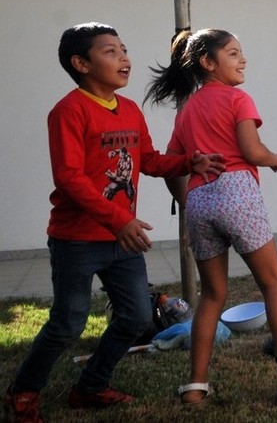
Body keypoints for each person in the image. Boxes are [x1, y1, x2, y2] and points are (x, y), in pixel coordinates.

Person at [3, 22, 225, 423]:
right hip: (77, 239)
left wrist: (187, 162)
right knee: (69, 322)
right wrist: (119, 221)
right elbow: (69, 179)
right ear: (80, 63)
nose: (124, 58)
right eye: (110, 51)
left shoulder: (129, 110)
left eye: (124, 49)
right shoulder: (68, 111)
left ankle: (89, 386)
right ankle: (22, 391)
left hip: (121, 240)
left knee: (137, 318)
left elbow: (149, 160)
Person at [144, 28, 277, 403]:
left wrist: (188, 208)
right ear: (208, 62)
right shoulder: (237, 98)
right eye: (233, 53)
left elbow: (172, 168)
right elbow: (251, 150)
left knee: (212, 294)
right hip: (238, 195)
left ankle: (195, 386)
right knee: (274, 283)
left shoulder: (187, 111)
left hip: (199, 202)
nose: (243, 59)